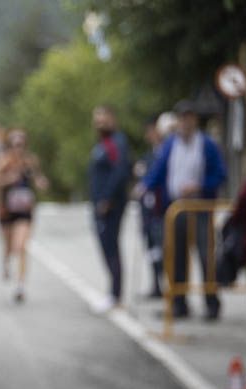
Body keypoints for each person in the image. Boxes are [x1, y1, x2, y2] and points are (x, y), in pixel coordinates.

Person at [140, 99, 228, 320]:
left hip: (200, 207)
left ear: (194, 120)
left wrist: (200, 186)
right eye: (182, 118)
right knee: (176, 256)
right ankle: (179, 302)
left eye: (189, 118)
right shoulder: (171, 144)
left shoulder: (206, 144)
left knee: (205, 255)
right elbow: (159, 170)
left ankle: (211, 302)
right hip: (176, 208)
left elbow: (220, 174)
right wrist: (145, 186)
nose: (185, 122)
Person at [0, 127, 48, 303]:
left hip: (24, 209)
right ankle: (6, 262)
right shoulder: (3, 161)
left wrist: (41, 182)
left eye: (21, 144)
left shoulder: (30, 161)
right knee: (8, 246)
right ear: (9, 146)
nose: (18, 148)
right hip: (6, 209)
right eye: (15, 144)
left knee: (20, 246)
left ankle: (20, 285)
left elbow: (38, 177)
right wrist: (8, 179)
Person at [87, 105, 131, 313]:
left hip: (110, 206)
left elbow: (121, 171)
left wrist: (107, 198)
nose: (99, 122)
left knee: (111, 247)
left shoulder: (117, 143)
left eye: (103, 118)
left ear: (113, 118)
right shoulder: (102, 143)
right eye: (97, 118)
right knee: (106, 248)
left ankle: (115, 294)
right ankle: (113, 292)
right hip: (99, 204)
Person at [132, 115, 169, 299]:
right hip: (147, 209)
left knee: (164, 248)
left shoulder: (167, 152)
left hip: (162, 208)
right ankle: (156, 284)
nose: (149, 135)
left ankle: (169, 286)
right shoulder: (148, 156)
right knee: (151, 247)